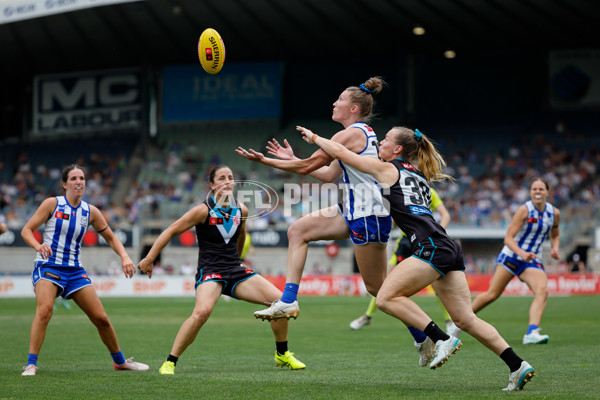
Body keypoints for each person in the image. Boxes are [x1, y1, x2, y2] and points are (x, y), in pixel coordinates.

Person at [298, 125, 535, 391]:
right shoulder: (418, 174)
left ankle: (439, 337)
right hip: (448, 246)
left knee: (385, 297)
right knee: (466, 319)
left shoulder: (388, 168)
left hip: (430, 246)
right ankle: (517, 365)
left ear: (398, 149)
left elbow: (342, 152)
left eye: (385, 140)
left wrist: (315, 138)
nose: (380, 143)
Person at [235, 77, 391, 324]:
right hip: (353, 210)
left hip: (368, 214)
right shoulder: (356, 134)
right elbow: (329, 175)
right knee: (298, 230)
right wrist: (290, 159)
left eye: (340, 99)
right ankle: (288, 300)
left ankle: (429, 334)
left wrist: (265, 161)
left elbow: (308, 166)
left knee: (379, 291)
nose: (334, 103)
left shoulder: (350, 134)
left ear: (353, 109)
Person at [137, 165, 305, 375]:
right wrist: (150, 257)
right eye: (222, 178)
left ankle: (282, 355)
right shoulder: (202, 210)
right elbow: (171, 230)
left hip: (234, 270)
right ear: (212, 184)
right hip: (210, 271)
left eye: (231, 177)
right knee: (201, 313)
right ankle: (170, 361)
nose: (227, 181)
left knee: (280, 303)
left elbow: (241, 234)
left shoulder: (241, 209)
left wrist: (239, 259)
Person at [20, 164, 149, 376]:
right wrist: (38, 246)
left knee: (101, 319)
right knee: (44, 311)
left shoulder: (91, 212)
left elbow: (111, 237)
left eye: (81, 178)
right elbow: (26, 230)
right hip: (48, 267)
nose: (79, 181)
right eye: (73, 178)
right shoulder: (52, 204)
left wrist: (125, 256)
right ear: (64, 184)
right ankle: (31, 364)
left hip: (74, 271)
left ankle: (120, 362)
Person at [449, 178, 560, 345]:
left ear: (547, 192)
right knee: (491, 295)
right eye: (534, 189)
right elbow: (508, 238)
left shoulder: (554, 213)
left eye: (541, 189)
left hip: (531, 260)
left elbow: (555, 233)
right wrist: (522, 253)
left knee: (542, 290)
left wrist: (555, 247)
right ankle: (457, 324)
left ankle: (532, 332)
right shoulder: (524, 210)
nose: (538, 192)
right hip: (511, 256)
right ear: (530, 192)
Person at [350, 187, 453, 333]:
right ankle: (368, 316)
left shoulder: (429, 191)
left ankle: (449, 321)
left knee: (435, 283)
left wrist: (437, 232)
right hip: (405, 242)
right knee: (385, 282)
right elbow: (395, 221)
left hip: (425, 241)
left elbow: (445, 215)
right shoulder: (403, 188)